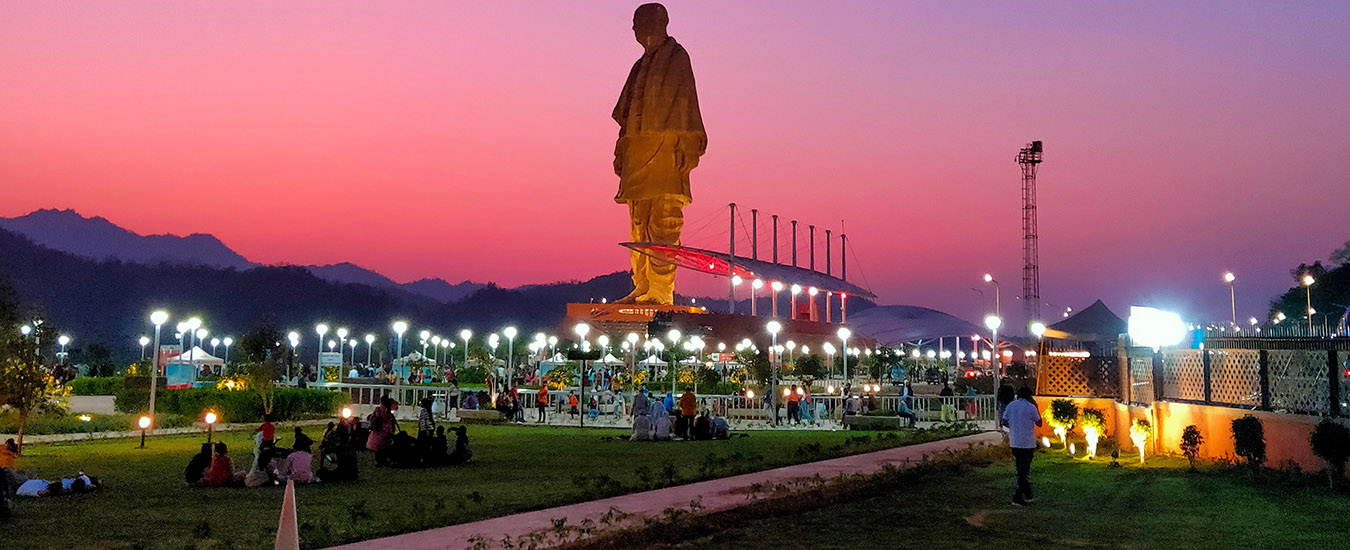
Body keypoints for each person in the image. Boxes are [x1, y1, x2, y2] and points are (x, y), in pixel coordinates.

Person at [612, 2, 707, 305]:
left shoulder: (677, 58)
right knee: (638, 221)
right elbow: (625, 115)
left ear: (659, 22)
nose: (634, 28)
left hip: (666, 150)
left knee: (664, 221)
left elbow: (687, 105)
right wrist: (620, 151)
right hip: (637, 154)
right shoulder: (638, 66)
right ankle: (642, 285)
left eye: (639, 21)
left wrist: (689, 145)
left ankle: (661, 291)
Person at [1002, 386, 1043, 506]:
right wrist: (1036, 408)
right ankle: (1017, 497)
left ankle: (1028, 493)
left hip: (1015, 442)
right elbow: (1039, 423)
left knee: (1020, 468)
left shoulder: (1011, 406)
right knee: (1023, 472)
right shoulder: (1031, 407)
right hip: (1027, 443)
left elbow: (1004, 421)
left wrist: (1014, 427)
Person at [366, 397, 397, 466]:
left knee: (378, 447)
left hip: (378, 430)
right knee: (385, 447)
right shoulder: (389, 411)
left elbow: (373, 417)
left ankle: (380, 462)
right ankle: (385, 460)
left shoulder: (378, 410)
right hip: (387, 430)